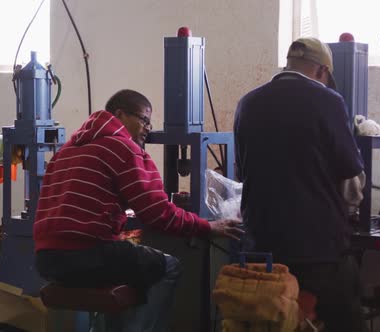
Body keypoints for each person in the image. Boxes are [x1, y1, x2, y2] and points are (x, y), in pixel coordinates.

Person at [34, 89, 243, 331]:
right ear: (120, 114)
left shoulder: (66, 150)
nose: (147, 128)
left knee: (128, 267)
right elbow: (157, 213)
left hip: (46, 259)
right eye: (143, 120)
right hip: (86, 254)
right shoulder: (122, 147)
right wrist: (206, 226)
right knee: (168, 267)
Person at [233, 37, 367, 332]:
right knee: (345, 320)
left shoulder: (247, 103)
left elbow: (242, 175)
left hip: (261, 247)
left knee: (272, 324)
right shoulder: (328, 101)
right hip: (318, 250)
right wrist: (350, 208)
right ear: (322, 71)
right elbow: (351, 179)